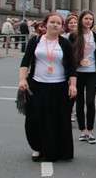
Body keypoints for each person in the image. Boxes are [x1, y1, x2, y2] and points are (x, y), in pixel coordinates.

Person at [18, 13, 77, 162]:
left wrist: (73, 85)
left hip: (58, 86)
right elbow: (26, 62)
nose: (55, 25)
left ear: (61, 27)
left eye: (58, 23)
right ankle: (37, 148)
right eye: (52, 22)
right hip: (37, 85)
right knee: (34, 118)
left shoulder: (65, 44)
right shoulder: (35, 41)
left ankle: (56, 150)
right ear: (45, 24)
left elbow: (71, 66)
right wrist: (22, 79)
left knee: (56, 119)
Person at [70, 10, 96, 144]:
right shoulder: (74, 36)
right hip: (78, 72)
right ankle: (82, 130)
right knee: (79, 102)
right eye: (86, 18)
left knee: (90, 101)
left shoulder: (95, 36)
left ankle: (90, 130)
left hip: (91, 72)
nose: (88, 21)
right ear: (81, 20)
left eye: (90, 19)